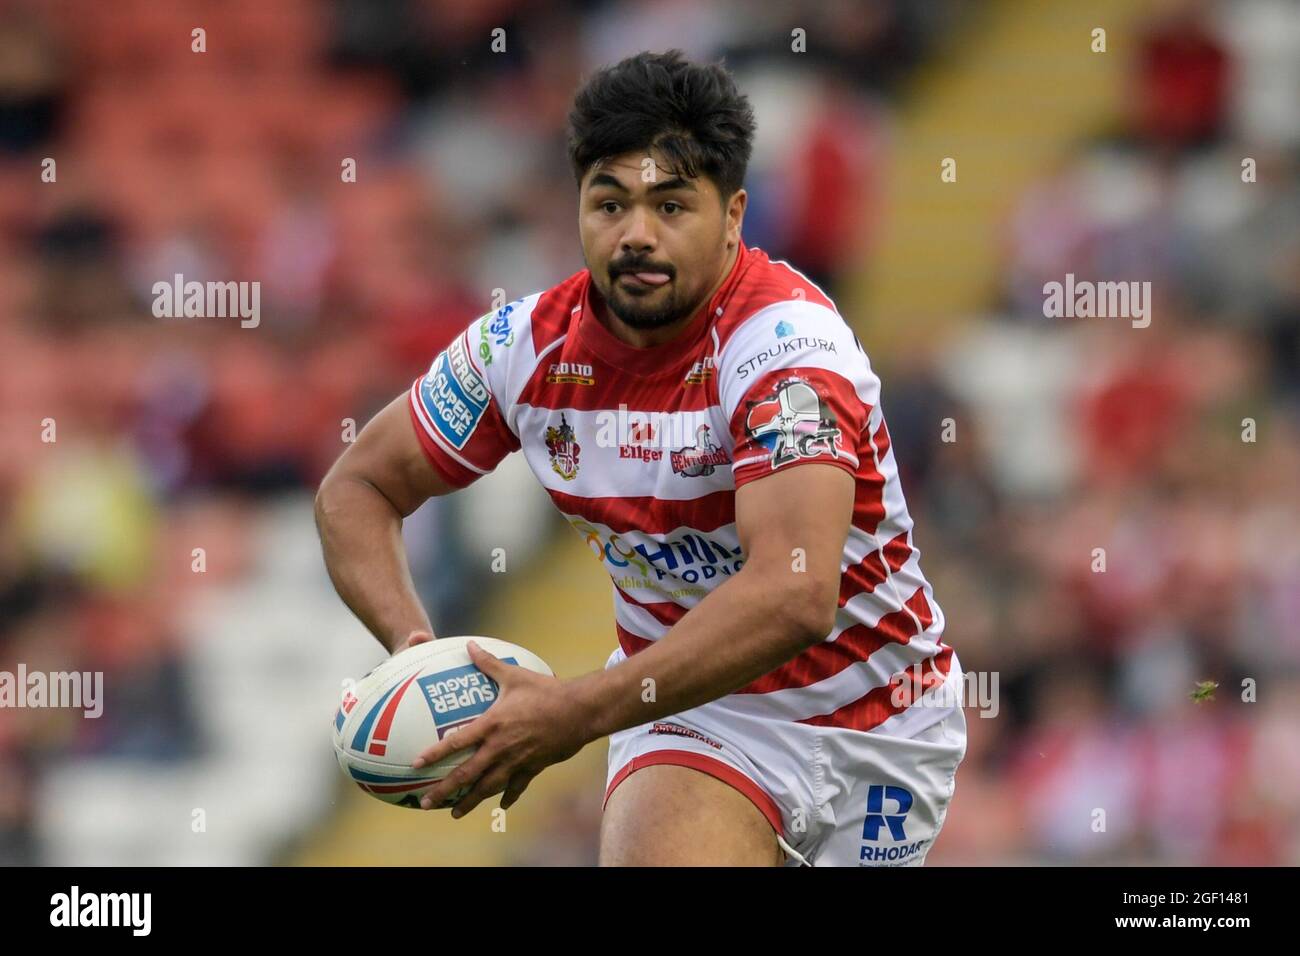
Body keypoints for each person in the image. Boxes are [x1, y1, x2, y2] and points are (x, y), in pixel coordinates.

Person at [315, 50, 966, 866]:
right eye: (610, 202)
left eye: (671, 205)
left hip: (884, 721)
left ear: (734, 216)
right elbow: (358, 488)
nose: (636, 235)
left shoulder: (788, 353)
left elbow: (795, 593)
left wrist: (575, 712)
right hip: (701, 716)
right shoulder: (519, 350)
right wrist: (418, 647)